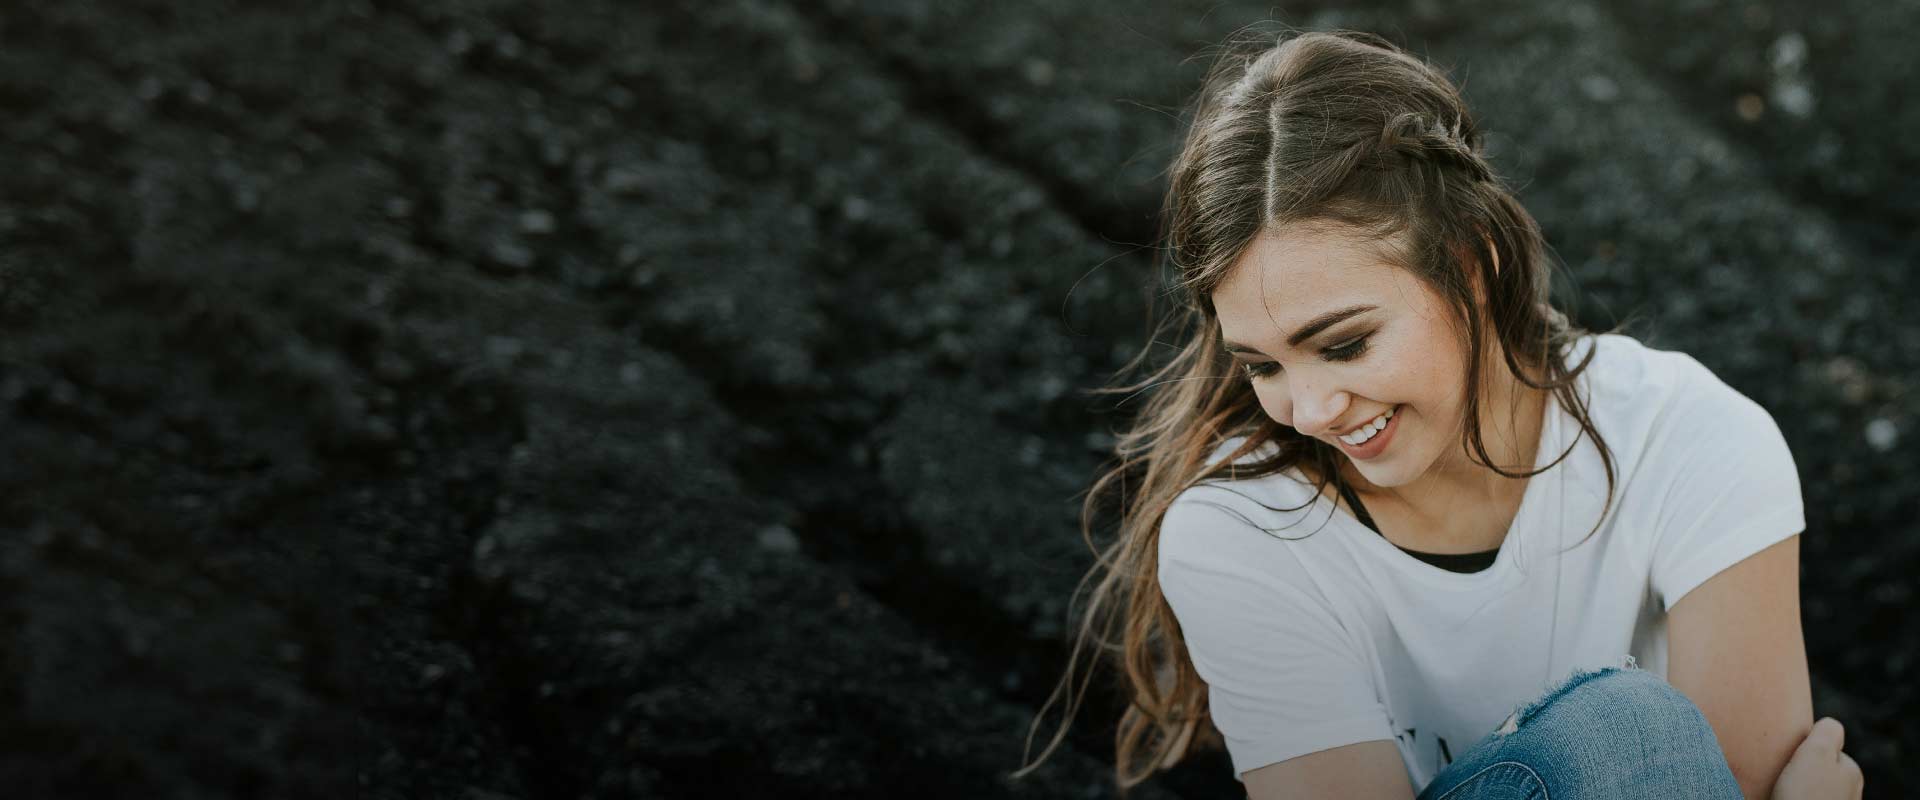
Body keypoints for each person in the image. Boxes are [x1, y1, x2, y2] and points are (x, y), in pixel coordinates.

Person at [1012, 28, 1864, 800]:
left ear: (1477, 262)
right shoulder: (1239, 529)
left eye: (1344, 345)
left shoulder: (1687, 434)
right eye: (1263, 365)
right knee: (1628, 736)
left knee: (1632, 739)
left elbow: (1735, 784)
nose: (1308, 409)